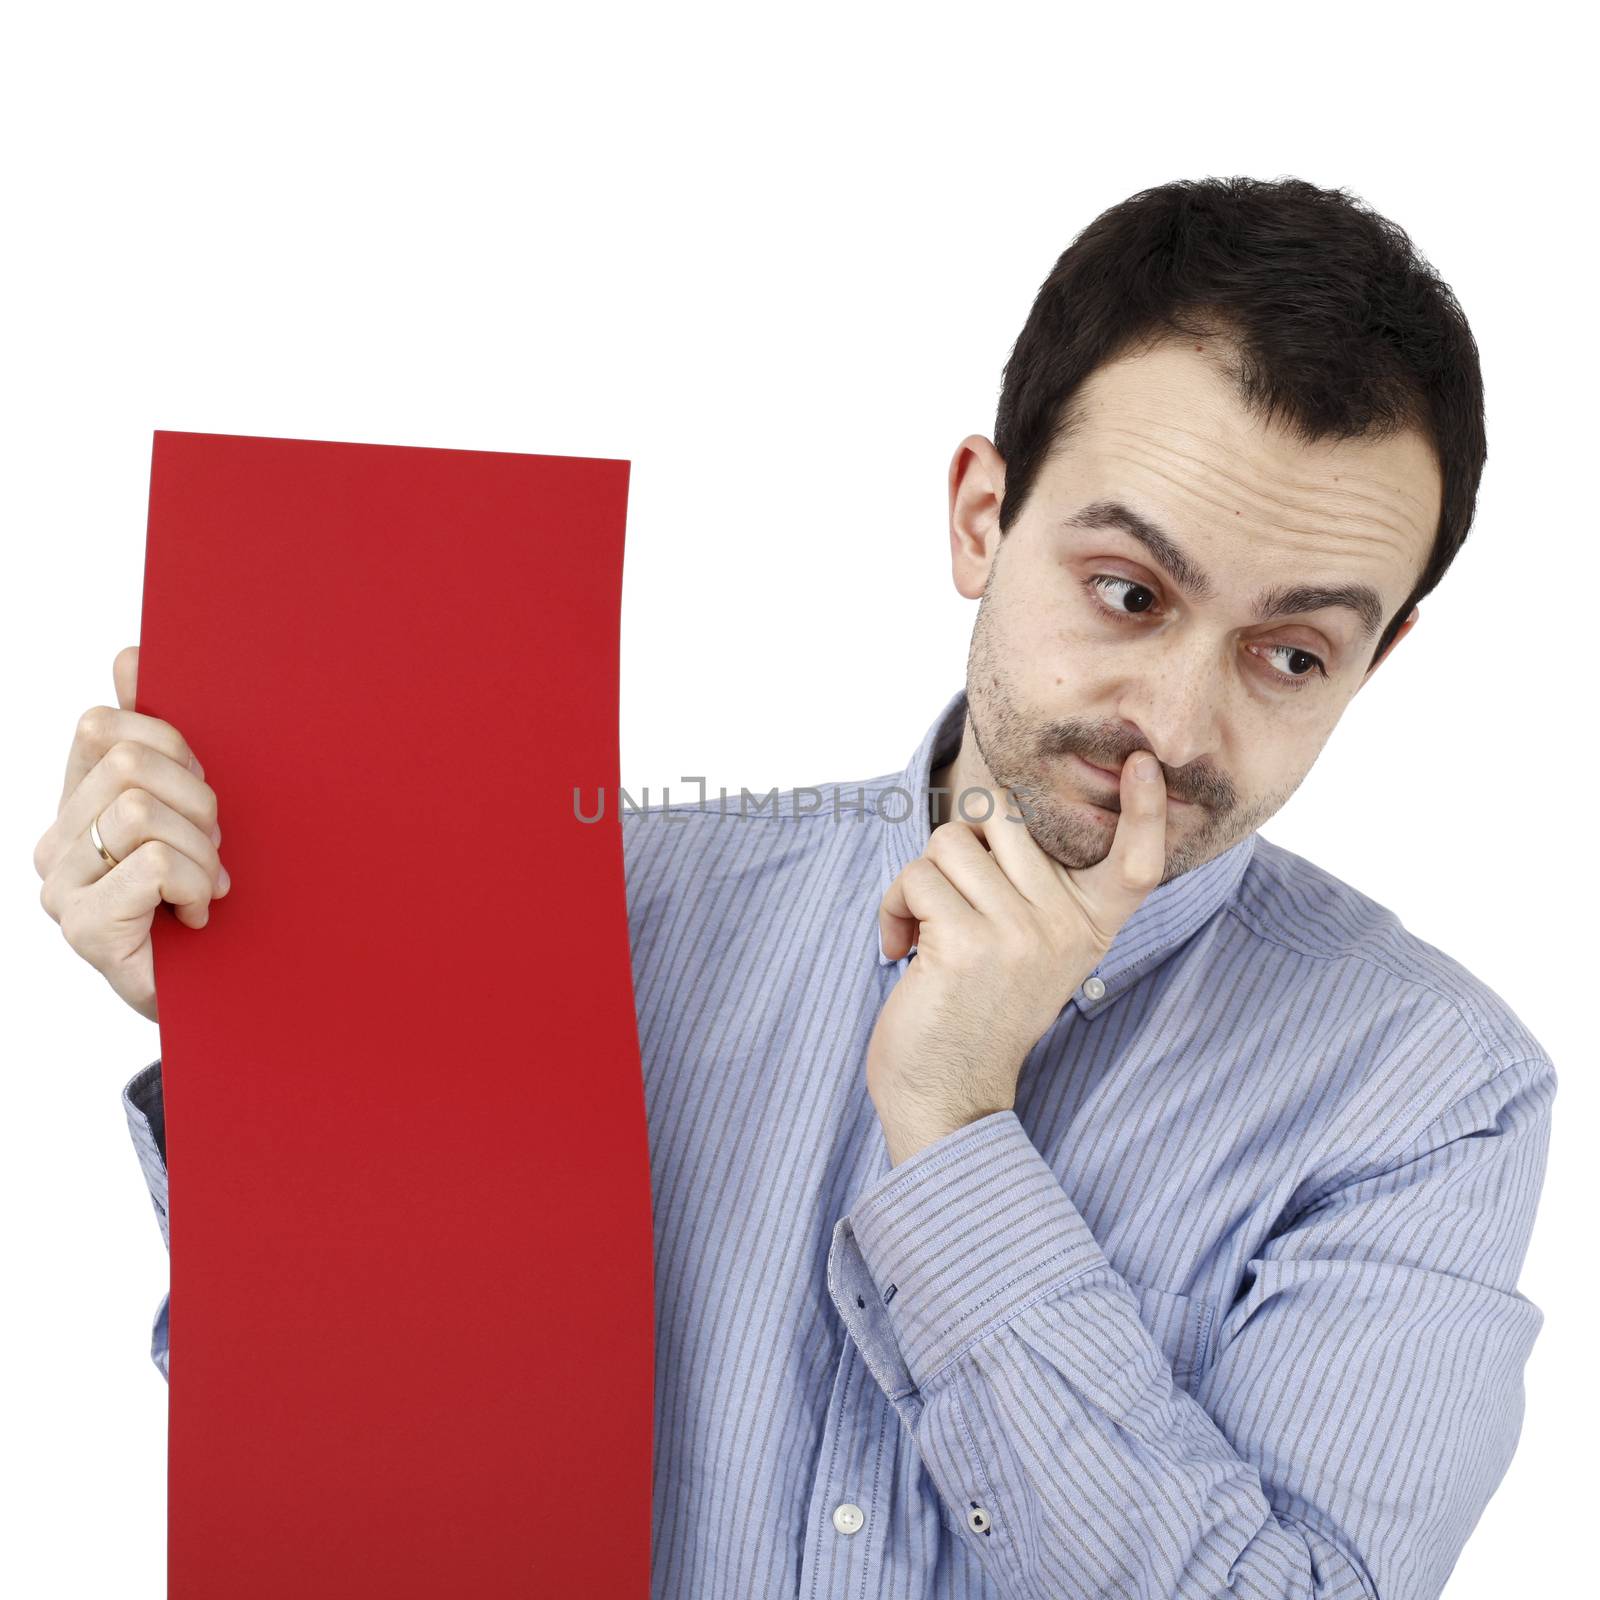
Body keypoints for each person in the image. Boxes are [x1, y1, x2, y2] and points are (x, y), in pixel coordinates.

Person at [35, 175, 1555, 1600]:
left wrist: (956, 1132)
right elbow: (365, 1459)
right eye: (1127, 592)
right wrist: (271, 1028)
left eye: (1291, 654)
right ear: (981, 517)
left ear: (1377, 658)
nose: (1172, 720)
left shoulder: (1430, 1094)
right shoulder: (617, 902)